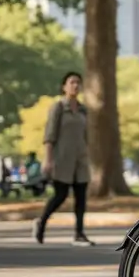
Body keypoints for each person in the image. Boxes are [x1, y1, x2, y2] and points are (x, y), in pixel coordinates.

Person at [33, 71, 94, 246]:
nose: (75, 85)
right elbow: (50, 135)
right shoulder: (58, 107)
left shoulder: (83, 110)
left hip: (80, 159)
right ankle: (41, 223)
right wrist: (48, 159)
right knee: (60, 195)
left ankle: (79, 233)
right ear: (64, 87)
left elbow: (86, 135)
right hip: (62, 158)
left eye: (78, 82)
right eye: (72, 82)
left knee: (81, 197)